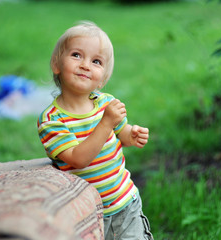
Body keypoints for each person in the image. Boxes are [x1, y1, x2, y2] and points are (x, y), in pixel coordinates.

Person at [37, 21, 153, 240]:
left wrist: (132, 134)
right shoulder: (51, 120)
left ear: (103, 78)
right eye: (76, 55)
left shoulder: (105, 104)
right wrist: (106, 123)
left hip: (124, 205)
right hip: (83, 215)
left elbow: (122, 133)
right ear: (56, 63)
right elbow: (77, 159)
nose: (85, 65)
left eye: (96, 61)